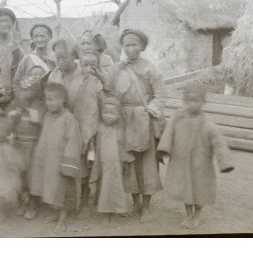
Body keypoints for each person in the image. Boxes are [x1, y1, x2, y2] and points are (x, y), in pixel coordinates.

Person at [107, 29, 166, 224]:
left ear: (141, 46)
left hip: (143, 119)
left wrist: (149, 111)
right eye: (127, 45)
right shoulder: (116, 69)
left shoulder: (151, 69)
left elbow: (160, 96)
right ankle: (136, 202)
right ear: (122, 47)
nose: (130, 48)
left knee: (146, 164)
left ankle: (147, 206)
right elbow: (108, 92)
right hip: (122, 119)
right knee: (129, 163)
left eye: (134, 44)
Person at [157, 82, 234, 229]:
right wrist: (163, 150)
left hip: (201, 164)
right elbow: (168, 133)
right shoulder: (178, 117)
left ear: (203, 102)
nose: (193, 104)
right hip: (181, 161)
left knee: (199, 189)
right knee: (185, 188)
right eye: (190, 100)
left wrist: (225, 162)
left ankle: (197, 215)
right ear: (185, 101)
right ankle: (188, 215)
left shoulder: (207, 123)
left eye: (197, 100)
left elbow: (218, 142)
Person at [48, 39, 106, 218]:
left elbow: (99, 99)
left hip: (84, 125)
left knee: (83, 166)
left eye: (64, 56)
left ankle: (84, 203)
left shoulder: (87, 74)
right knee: (62, 165)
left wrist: (91, 129)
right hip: (61, 127)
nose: (60, 60)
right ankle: (63, 204)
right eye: (57, 57)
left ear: (74, 56)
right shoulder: (54, 75)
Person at [29, 82, 82, 233]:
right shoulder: (47, 116)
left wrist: (68, 163)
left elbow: (73, 141)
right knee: (51, 188)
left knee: (63, 191)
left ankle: (62, 219)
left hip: (61, 163)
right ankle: (55, 213)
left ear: (63, 100)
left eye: (53, 100)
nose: (49, 103)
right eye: (47, 100)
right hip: (48, 162)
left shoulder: (69, 119)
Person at [88, 94, 133, 227]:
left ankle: (115, 212)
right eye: (105, 112)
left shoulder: (120, 129)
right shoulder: (98, 128)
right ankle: (105, 214)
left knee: (116, 188)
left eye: (112, 113)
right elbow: (92, 145)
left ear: (118, 115)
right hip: (102, 166)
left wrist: (125, 161)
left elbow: (124, 146)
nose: (108, 115)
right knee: (104, 189)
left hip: (116, 167)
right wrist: (91, 158)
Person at [7, 77, 46, 219]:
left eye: (30, 89)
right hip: (19, 144)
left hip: (34, 145)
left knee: (33, 176)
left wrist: (28, 111)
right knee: (21, 175)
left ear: (36, 91)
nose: (26, 93)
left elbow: (40, 121)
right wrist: (14, 115)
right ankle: (24, 201)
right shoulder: (15, 104)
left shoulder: (40, 105)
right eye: (23, 89)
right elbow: (9, 121)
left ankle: (33, 204)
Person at [13, 24, 56, 88]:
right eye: (36, 36)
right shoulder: (27, 59)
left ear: (50, 37)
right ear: (32, 38)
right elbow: (16, 83)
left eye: (42, 36)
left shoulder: (56, 58)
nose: (39, 39)